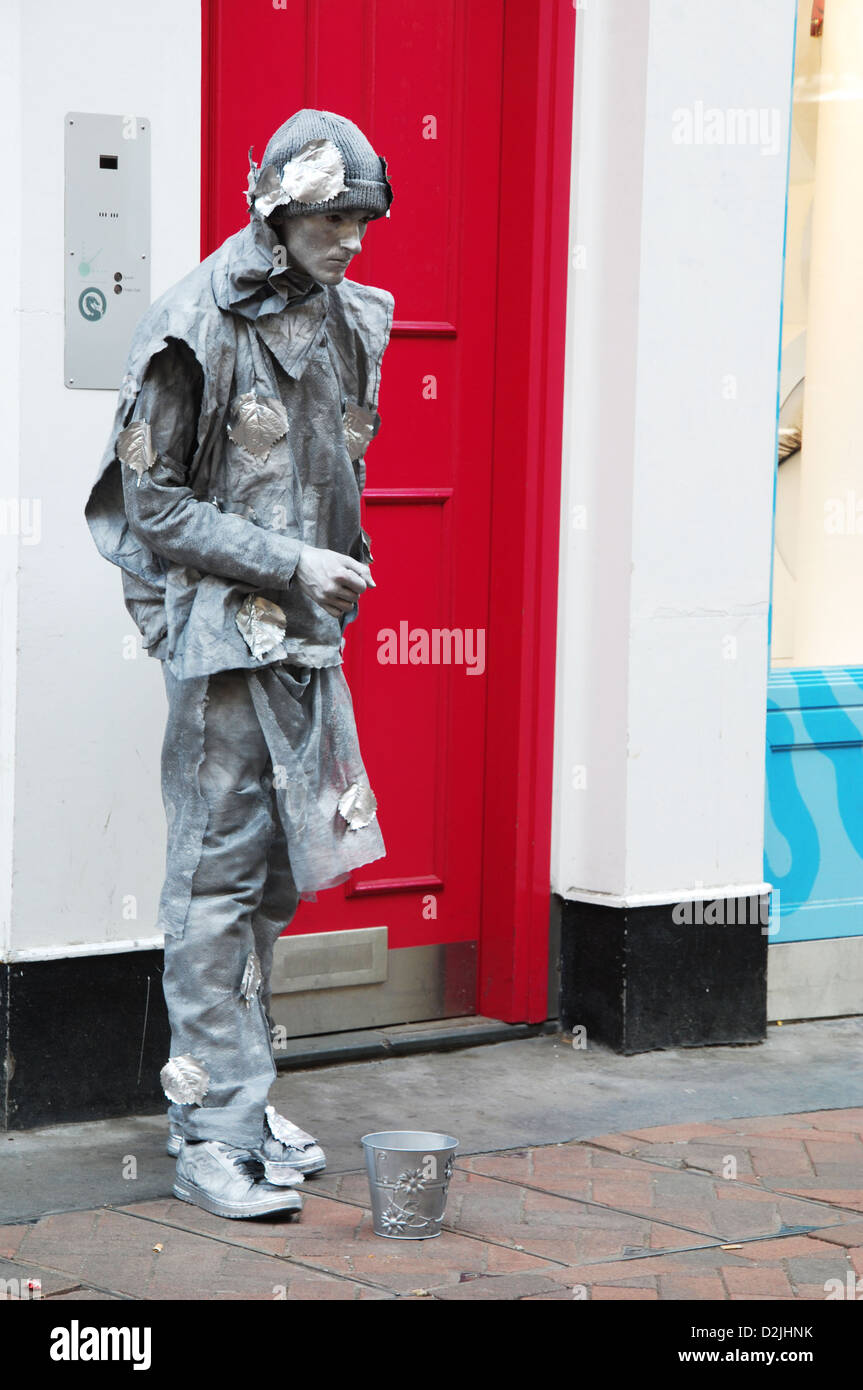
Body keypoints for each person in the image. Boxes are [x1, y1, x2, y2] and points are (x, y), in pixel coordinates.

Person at [85, 109, 394, 1220]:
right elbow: (147, 500)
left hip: (303, 643)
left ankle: (239, 1098)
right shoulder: (194, 322)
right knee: (215, 884)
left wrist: (336, 561)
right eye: (329, 214)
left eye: (360, 215)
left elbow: (329, 467)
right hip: (223, 647)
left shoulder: (352, 319)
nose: (350, 237)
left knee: (269, 882)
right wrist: (289, 558)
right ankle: (205, 1132)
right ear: (275, 208)